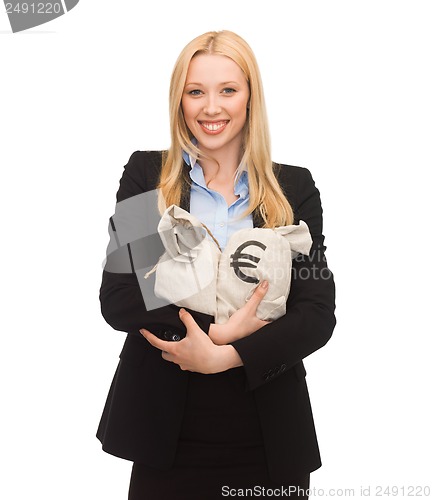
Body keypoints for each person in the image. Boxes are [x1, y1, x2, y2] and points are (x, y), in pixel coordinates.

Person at [96, 30, 336, 500]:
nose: (211, 107)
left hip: (268, 436)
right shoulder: (148, 177)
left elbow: (316, 313)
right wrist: (221, 329)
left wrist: (226, 353)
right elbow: (122, 296)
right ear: (179, 100)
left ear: (250, 97)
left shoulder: (293, 190)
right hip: (165, 434)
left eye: (228, 90)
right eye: (195, 91)